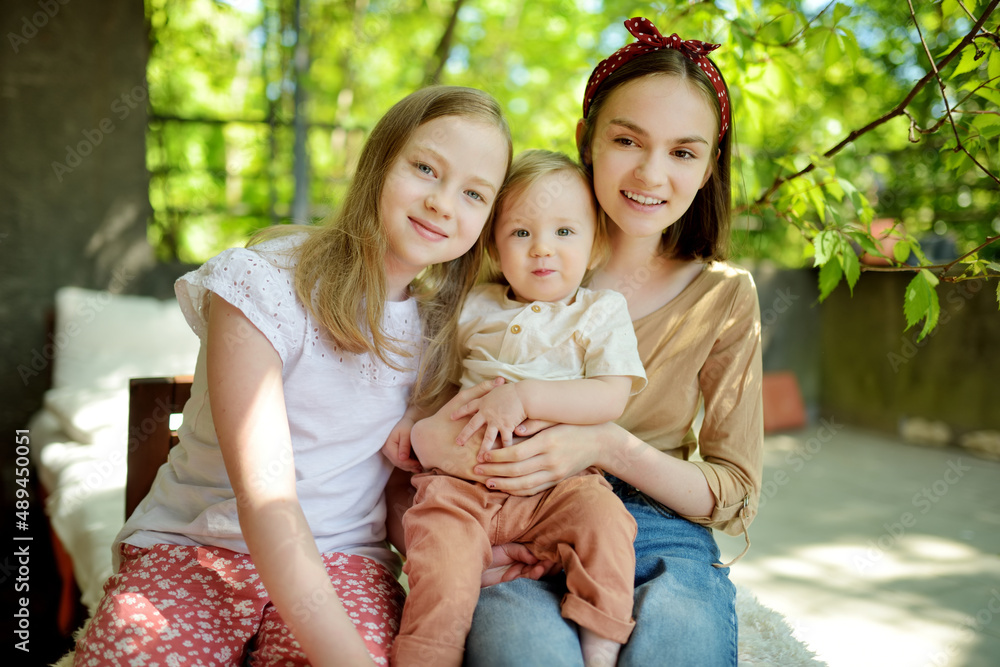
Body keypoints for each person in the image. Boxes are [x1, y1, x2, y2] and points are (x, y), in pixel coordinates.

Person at [73, 85, 513, 667]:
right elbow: (267, 500)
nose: (442, 202)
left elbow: (397, 481)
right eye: (426, 168)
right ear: (380, 160)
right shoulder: (263, 284)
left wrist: (473, 561)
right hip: (195, 549)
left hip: (346, 562)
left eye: (474, 193)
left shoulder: (439, 332)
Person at [412, 17, 764, 666]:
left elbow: (734, 489)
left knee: (676, 648)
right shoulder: (517, 257)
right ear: (587, 139)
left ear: (712, 161)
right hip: (512, 506)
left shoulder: (724, 296)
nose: (652, 173)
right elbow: (424, 411)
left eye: (685, 151)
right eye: (628, 140)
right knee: (527, 653)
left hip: (662, 522)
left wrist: (605, 443)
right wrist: (463, 520)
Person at [385, 149, 647, 667]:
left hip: (560, 487)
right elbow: (442, 382)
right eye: (521, 233)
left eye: (564, 233)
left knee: (607, 522)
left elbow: (610, 394)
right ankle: (428, 653)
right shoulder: (472, 305)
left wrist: (526, 396)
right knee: (439, 552)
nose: (542, 250)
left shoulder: (599, 311)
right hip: (462, 485)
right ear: (495, 246)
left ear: (596, 245)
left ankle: (600, 640)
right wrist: (415, 421)